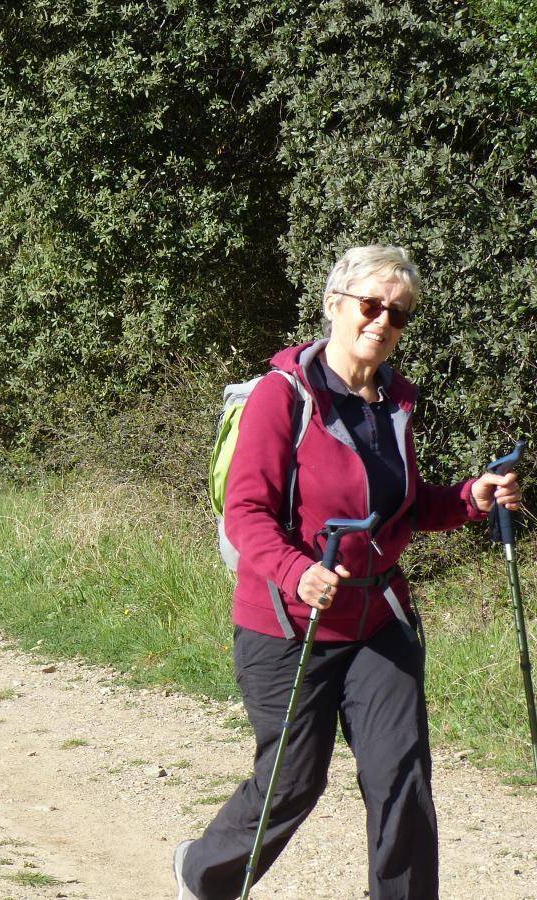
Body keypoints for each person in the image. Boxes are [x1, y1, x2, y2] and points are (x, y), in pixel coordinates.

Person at [173, 246, 521, 900]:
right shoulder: (284, 398)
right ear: (335, 303)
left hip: (377, 619)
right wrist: (296, 571)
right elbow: (245, 512)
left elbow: (408, 508)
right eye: (371, 304)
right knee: (293, 781)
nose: (382, 321)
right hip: (287, 623)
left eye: (398, 314)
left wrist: (470, 497)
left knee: (401, 778)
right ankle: (205, 872)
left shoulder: (394, 404)